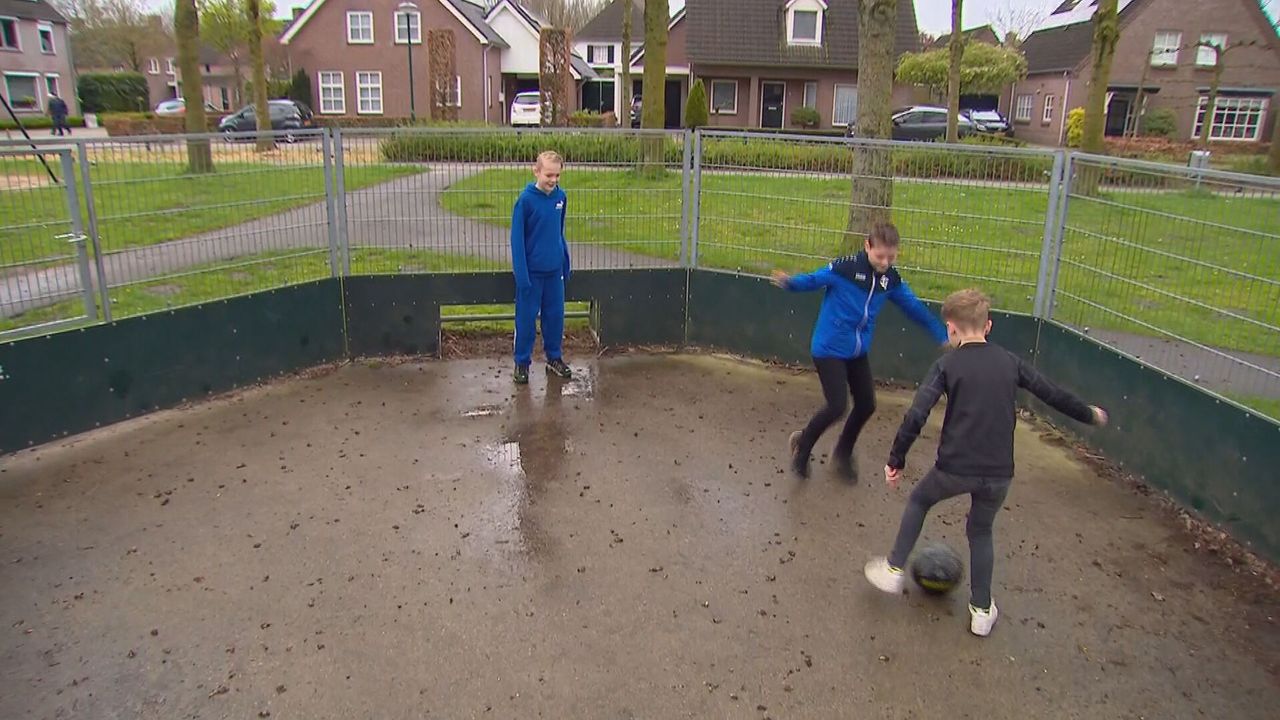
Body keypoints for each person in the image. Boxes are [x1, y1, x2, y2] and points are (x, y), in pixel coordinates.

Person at [863, 288, 1108, 637]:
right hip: (998, 474)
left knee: (919, 500)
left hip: (953, 468)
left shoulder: (946, 365)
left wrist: (896, 458)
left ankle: (893, 568)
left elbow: (917, 412)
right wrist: (1089, 414)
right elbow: (1051, 393)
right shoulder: (1010, 361)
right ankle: (981, 610)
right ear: (988, 325)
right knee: (980, 531)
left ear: (950, 328)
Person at [772, 222, 948, 480]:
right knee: (837, 405)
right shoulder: (845, 269)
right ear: (867, 246)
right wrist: (790, 283)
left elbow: (914, 308)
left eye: (891, 256)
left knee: (866, 404)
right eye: (880, 256)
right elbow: (814, 279)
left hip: (856, 352)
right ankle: (803, 445)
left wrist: (941, 335)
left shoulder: (890, 281)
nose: (885, 262)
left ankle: (842, 453)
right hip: (829, 348)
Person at [511, 150, 572, 385]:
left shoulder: (561, 197)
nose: (553, 180)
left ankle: (554, 358)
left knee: (555, 317)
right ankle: (522, 362)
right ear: (536, 171)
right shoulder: (525, 201)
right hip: (532, 274)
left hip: (554, 272)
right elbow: (517, 240)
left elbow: (559, 232)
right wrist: (522, 276)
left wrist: (564, 262)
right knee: (526, 319)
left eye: (557, 175)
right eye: (549, 175)